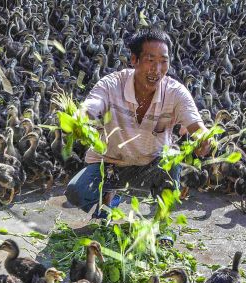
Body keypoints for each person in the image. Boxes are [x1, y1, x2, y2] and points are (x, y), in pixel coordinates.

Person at [64, 28, 212, 215]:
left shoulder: (176, 92)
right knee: (77, 192)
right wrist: (80, 118)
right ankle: (109, 196)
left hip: (151, 165)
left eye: (163, 62)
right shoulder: (111, 84)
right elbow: (92, 105)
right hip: (110, 164)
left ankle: (161, 223)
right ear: (134, 60)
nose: (157, 70)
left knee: (171, 160)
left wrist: (205, 138)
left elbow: (197, 126)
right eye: (150, 61)